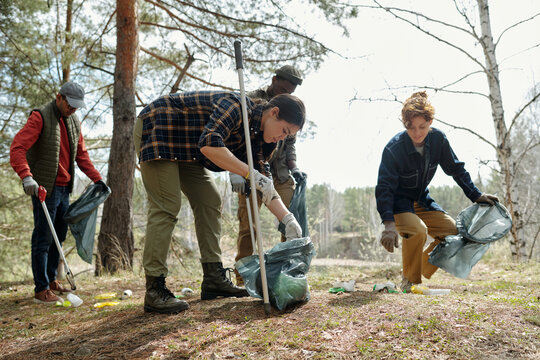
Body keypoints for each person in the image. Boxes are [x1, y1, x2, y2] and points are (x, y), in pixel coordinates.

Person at [133, 90, 305, 314]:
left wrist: (288, 219)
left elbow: (265, 185)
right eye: (284, 130)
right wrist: (248, 173)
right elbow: (209, 144)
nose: (282, 138)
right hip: (160, 125)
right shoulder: (236, 107)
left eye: (288, 136)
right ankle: (155, 289)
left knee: (209, 200)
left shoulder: (264, 141)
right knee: (167, 205)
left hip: (189, 149)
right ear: (274, 113)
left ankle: (213, 278)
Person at [375, 91, 498, 292]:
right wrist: (388, 224)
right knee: (417, 230)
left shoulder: (438, 140)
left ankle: (420, 266)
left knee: (453, 234)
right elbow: (384, 187)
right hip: (398, 203)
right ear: (404, 125)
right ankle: (409, 281)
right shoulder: (394, 148)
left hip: (422, 200)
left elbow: (455, 169)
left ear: (430, 121)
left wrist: (475, 195)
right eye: (411, 127)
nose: (416, 133)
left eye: (422, 126)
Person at [10, 81, 104, 304]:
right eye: (70, 104)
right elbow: (17, 149)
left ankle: (52, 280)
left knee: (58, 236)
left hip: (64, 188)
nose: (73, 109)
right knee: (43, 237)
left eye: (76, 106)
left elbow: (81, 156)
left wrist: (98, 179)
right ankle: (41, 289)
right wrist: (27, 176)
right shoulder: (40, 117)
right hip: (44, 188)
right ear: (59, 97)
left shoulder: (74, 121)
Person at [230, 65, 307, 285]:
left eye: (289, 92)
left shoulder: (291, 110)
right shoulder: (252, 100)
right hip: (249, 168)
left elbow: (290, 143)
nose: (285, 95)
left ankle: (287, 273)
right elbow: (235, 139)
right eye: (282, 89)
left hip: (279, 172)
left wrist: (294, 168)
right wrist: (236, 171)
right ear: (273, 80)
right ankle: (243, 278)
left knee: (289, 221)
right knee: (249, 224)